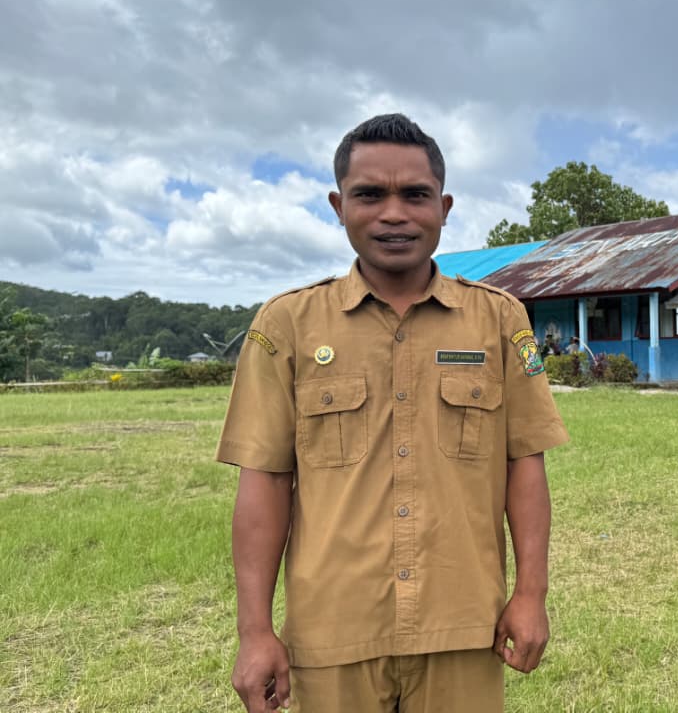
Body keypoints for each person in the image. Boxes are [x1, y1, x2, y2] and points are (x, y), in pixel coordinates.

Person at [219, 113, 568, 713]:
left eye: (415, 195)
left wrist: (531, 593)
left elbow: (524, 465)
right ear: (338, 206)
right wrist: (254, 631)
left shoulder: (499, 319)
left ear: (444, 207)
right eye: (369, 195)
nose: (394, 214)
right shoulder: (287, 325)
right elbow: (266, 481)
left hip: (464, 623)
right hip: (333, 629)